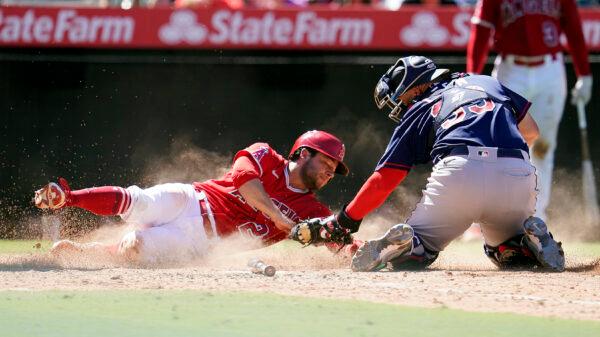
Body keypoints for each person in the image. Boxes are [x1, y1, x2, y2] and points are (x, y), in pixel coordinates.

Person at [291, 56, 565, 272]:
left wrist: (344, 221)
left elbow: (385, 179)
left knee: (422, 249)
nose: (399, 105)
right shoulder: (486, 82)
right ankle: (528, 241)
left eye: (401, 97)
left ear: (417, 86)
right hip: (516, 172)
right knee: (505, 251)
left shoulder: (421, 107)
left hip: (459, 172)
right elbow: (531, 131)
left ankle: (409, 246)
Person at [34, 130, 357, 264]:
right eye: (326, 162)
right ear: (303, 153)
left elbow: (336, 242)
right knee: (141, 201)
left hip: (202, 242)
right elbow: (246, 183)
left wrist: (361, 249)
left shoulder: (312, 209)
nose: (330, 172)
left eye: (334, 168)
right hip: (192, 198)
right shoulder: (265, 154)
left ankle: (91, 251)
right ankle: (68, 197)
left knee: (135, 246)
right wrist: (280, 219)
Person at [466, 0, 593, 221]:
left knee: (543, 147)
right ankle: (499, 217)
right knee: (504, 146)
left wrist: (585, 73)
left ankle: (536, 217)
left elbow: (573, 26)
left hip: (550, 70)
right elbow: (481, 30)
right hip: (510, 70)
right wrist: (471, 77)